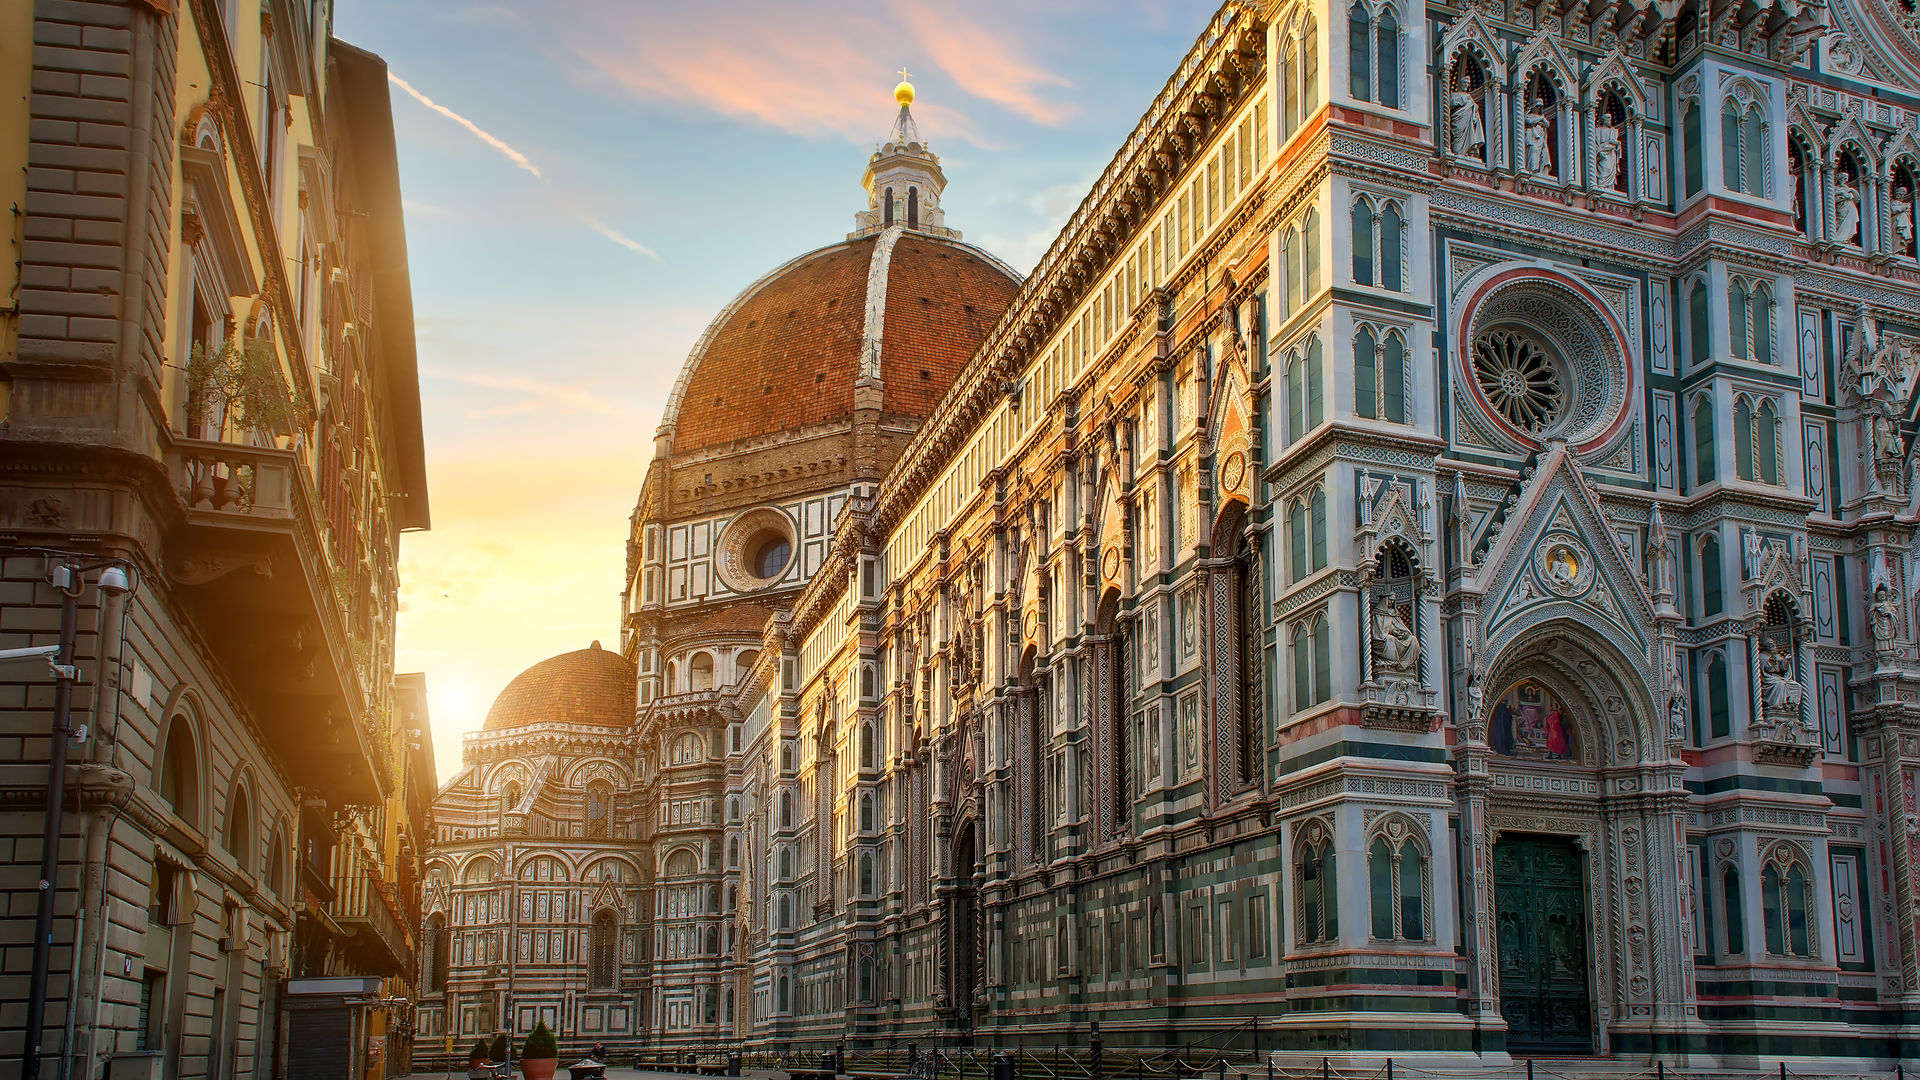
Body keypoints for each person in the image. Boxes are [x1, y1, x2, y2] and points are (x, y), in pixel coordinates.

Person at [1836, 172, 1862, 244]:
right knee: (1841, 222)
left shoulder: (1848, 188)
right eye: (1844, 178)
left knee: (1850, 223)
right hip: (1842, 207)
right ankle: (1840, 238)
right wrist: (1842, 193)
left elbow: (1858, 198)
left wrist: (1852, 190)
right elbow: (1831, 197)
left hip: (1850, 208)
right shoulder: (1836, 188)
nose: (1845, 180)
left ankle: (1846, 239)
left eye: (1846, 178)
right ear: (1840, 179)